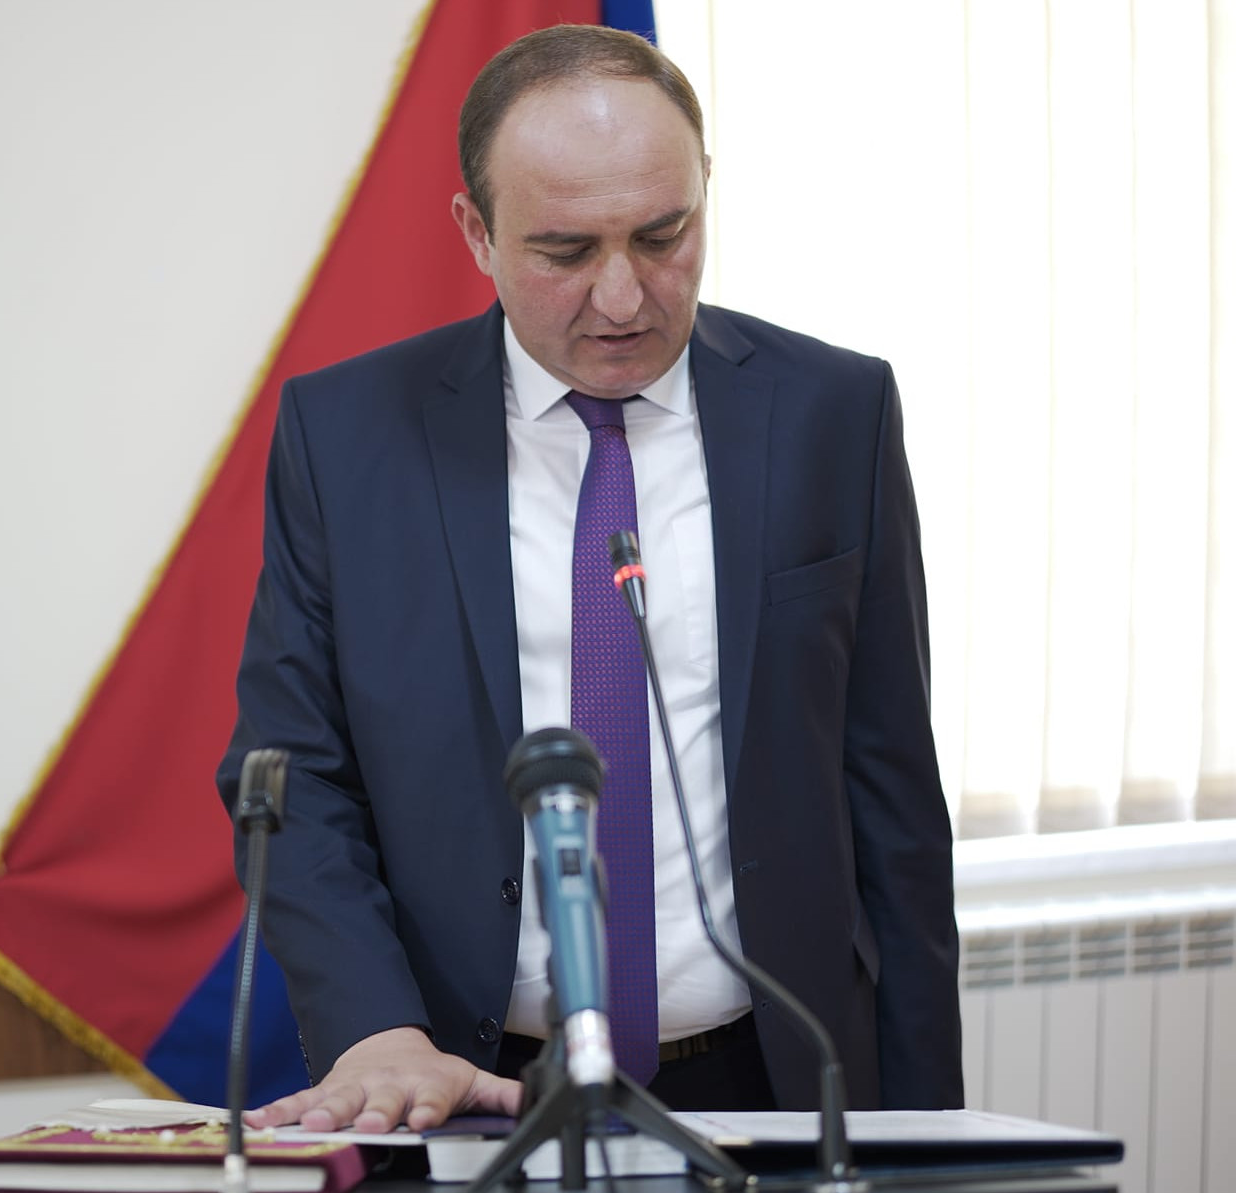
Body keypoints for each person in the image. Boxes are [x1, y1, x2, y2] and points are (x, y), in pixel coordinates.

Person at [219, 24, 961, 1134]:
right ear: (476, 233)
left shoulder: (832, 413)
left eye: (662, 236)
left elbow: (893, 795)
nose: (623, 298)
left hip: (775, 1077)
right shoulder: (349, 435)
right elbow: (292, 775)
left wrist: (930, 1130)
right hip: (463, 1083)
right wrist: (374, 1028)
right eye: (565, 252)